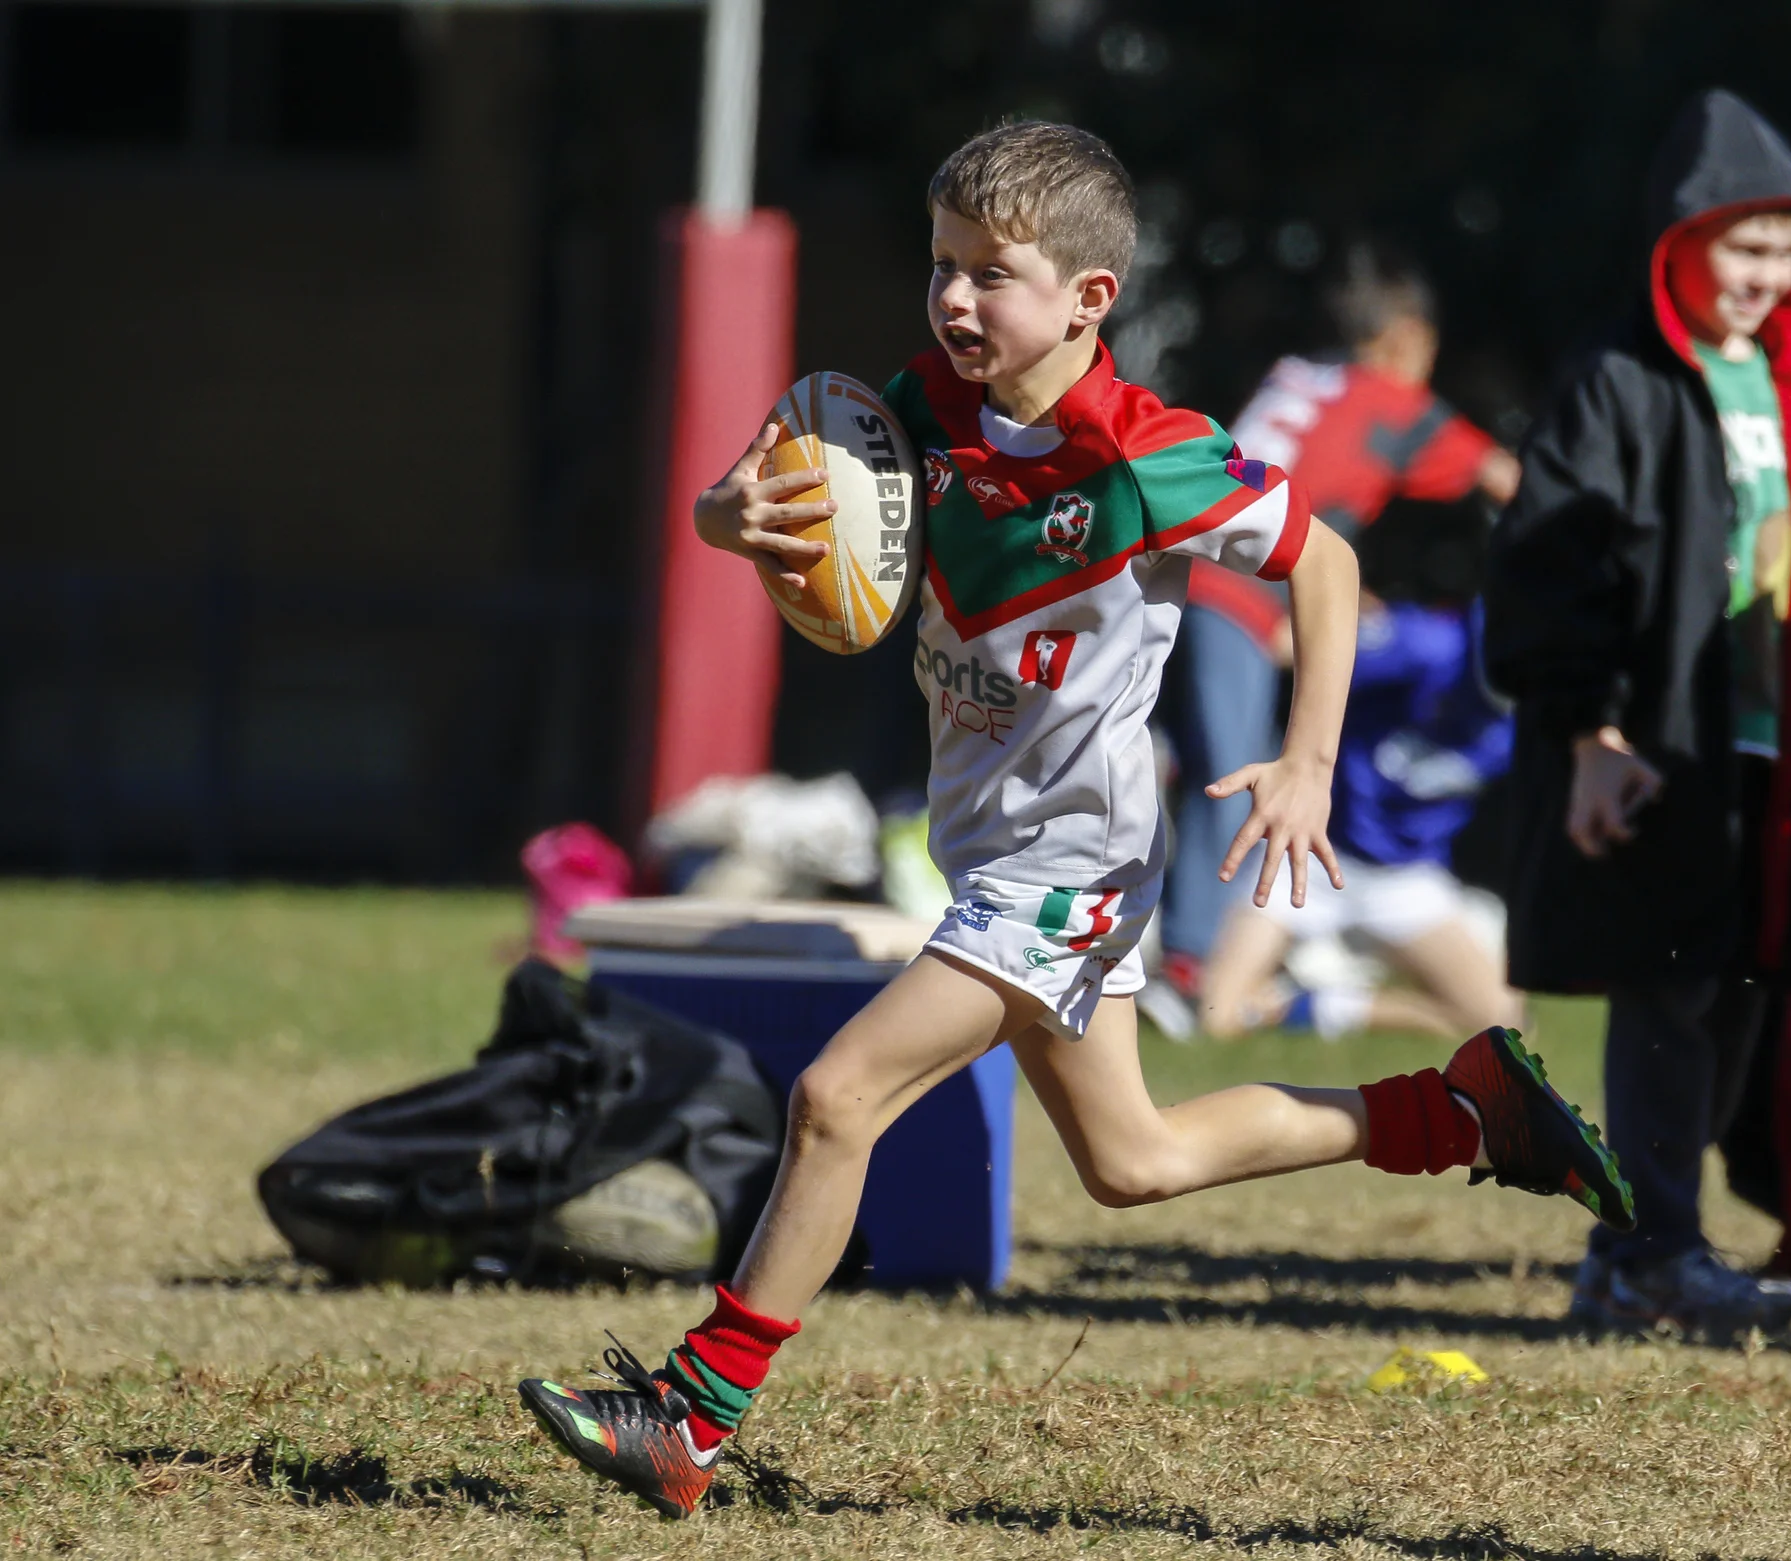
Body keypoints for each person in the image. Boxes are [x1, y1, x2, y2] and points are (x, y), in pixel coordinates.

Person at [510, 122, 1632, 1522]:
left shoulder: (1148, 455)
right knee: (1134, 1161)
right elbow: (748, 514)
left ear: (1090, 300)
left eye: (994, 274)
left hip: (1075, 864)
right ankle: (1467, 1109)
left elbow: (1327, 561)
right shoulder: (907, 415)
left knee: (836, 1096)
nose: (955, 299)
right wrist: (726, 519)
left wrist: (1307, 762)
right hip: (996, 851)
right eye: (942, 266)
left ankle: (691, 1414)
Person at [1485, 89, 1791, 1340]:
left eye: (1788, 252)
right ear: (1679, 242)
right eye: (1743, 246)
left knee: (1742, 995)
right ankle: (1656, 1247)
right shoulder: (1614, 384)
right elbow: (1553, 573)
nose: (1767, 276)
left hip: (1781, 751)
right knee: (1663, 992)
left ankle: (1639, 1244)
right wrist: (1588, 738)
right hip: (1656, 741)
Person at [1153, 245, 1519, 1020]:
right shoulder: (1393, 401)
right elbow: (1504, 479)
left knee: (1176, 755)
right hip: (1240, 595)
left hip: (1171, 566)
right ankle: (1189, 964)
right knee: (1237, 772)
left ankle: (1159, 936)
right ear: (1407, 339)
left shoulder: (1298, 375)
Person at [1196, 596, 1518, 1043]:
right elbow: (1284, 644)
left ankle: (1328, 1001)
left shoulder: (1542, 720)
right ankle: (1314, 991)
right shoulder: (1425, 645)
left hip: (1406, 879)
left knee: (1505, 1025)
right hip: (1309, 850)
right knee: (1218, 1016)